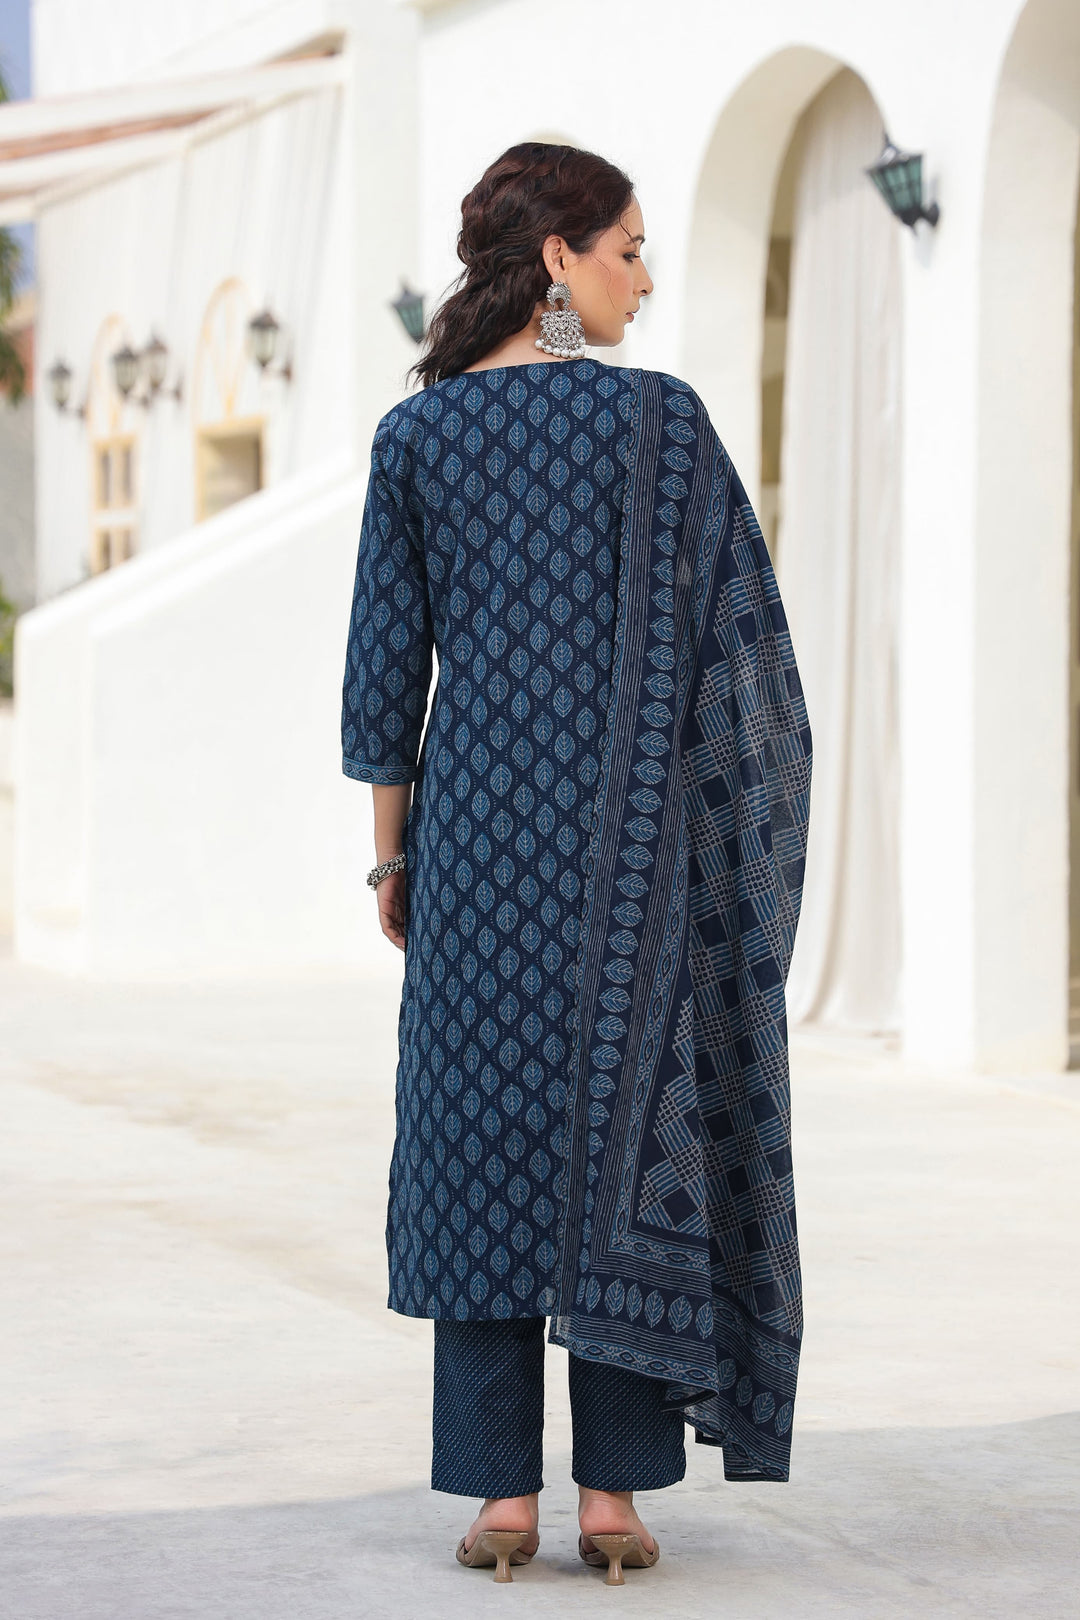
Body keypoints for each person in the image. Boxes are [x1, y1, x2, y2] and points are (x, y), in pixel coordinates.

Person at [341, 142, 813, 1585]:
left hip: (477, 849)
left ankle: (501, 1503)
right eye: (627, 248)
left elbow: (385, 678)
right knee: (629, 1137)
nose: (644, 280)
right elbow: (748, 655)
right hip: (637, 858)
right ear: (557, 257)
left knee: (481, 1147)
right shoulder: (661, 425)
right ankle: (614, 1500)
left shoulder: (416, 439)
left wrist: (392, 866)